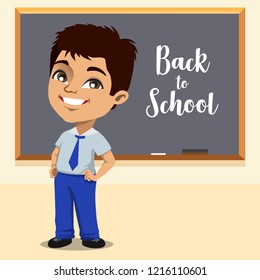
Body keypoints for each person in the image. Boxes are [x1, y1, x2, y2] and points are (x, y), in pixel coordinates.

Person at [47, 24, 137, 248]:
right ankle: (63, 234)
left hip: (83, 178)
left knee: (86, 206)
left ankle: (90, 235)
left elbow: (110, 160)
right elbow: (56, 150)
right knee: (62, 206)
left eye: (92, 83)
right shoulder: (66, 134)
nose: (71, 89)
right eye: (61, 75)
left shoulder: (96, 137)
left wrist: (96, 176)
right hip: (63, 177)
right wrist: (53, 165)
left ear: (117, 97)